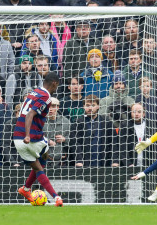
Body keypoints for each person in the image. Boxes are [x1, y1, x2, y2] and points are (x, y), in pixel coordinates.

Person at [13, 72, 63, 207]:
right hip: (31, 137)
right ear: (54, 83)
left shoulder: (34, 92)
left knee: (38, 165)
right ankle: (56, 197)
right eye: (57, 85)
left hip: (17, 138)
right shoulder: (46, 97)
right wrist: (28, 135)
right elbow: (30, 114)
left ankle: (26, 189)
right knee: (43, 158)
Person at [69, 94, 116, 167]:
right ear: (83, 107)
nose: (90, 108)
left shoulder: (106, 122)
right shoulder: (77, 122)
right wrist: (79, 160)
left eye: (93, 105)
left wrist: (114, 160)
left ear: (98, 106)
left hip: (103, 161)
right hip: (85, 163)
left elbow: (113, 142)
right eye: (87, 105)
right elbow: (75, 143)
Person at [43, 98, 71, 167]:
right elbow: (34, 137)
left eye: (53, 106)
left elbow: (74, 139)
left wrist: (65, 139)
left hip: (62, 161)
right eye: (48, 106)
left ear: (58, 107)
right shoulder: (40, 121)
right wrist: (47, 141)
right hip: (44, 159)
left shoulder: (66, 121)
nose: (50, 109)